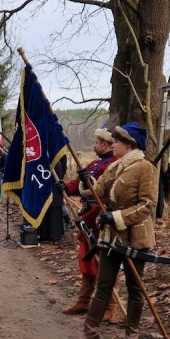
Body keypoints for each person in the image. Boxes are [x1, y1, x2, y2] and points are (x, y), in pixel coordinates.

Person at [69, 123, 158, 339]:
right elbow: (97, 191)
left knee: (134, 287)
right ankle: (90, 333)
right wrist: (85, 180)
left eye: (116, 141)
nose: (113, 144)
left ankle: (132, 333)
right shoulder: (114, 167)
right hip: (110, 237)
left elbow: (148, 205)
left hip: (135, 237)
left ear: (129, 144)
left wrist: (116, 216)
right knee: (104, 284)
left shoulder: (145, 168)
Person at [56, 127, 118, 317]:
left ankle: (110, 307)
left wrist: (89, 217)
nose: (94, 145)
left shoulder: (114, 166)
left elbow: (106, 197)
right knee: (86, 260)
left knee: (103, 264)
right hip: (87, 219)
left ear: (106, 144)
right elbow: (81, 184)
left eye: (97, 142)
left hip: (101, 219)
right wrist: (65, 187)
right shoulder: (94, 164)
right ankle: (83, 302)